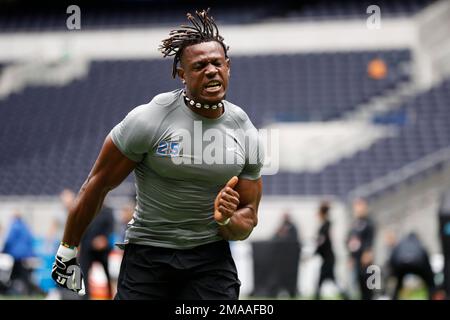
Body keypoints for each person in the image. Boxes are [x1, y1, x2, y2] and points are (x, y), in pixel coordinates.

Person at [51, 9, 264, 300]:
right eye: (200, 66)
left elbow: (248, 218)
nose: (211, 71)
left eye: (217, 63)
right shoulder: (149, 119)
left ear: (228, 67)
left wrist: (227, 219)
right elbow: (98, 183)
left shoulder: (246, 132)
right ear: (182, 74)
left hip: (210, 258)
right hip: (148, 255)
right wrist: (68, 249)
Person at [79, 204, 115, 299]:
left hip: (102, 250)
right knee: (84, 274)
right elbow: (80, 228)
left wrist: (104, 239)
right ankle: (85, 297)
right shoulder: (86, 209)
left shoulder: (108, 211)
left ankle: (111, 295)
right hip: (87, 248)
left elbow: (110, 228)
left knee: (107, 273)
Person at [314, 201, 347, 300]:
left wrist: (315, 252)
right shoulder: (325, 225)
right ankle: (345, 295)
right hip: (328, 258)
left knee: (323, 279)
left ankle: (317, 296)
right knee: (331, 279)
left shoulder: (326, 226)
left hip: (329, 258)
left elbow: (322, 243)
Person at [388, 232, 436, 300]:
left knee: (398, 283)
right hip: (417, 264)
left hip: (401, 265)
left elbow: (392, 258)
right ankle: (432, 295)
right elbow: (426, 259)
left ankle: (394, 297)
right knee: (429, 282)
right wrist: (430, 277)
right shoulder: (419, 244)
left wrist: (393, 274)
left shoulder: (400, 244)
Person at [346, 198, 376, 300]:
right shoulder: (354, 224)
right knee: (358, 284)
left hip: (365, 259)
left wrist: (367, 252)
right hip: (356, 259)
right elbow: (350, 240)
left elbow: (370, 239)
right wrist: (350, 257)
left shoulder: (369, 222)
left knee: (368, 284)